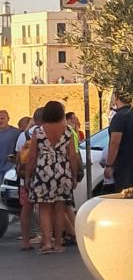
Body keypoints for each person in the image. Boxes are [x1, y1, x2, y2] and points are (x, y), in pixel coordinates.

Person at [25, 100, 80, 254]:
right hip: (63, 171)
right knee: (60, 208)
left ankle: (47, 242)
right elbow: (72, 155)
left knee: (44, 209)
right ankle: (58, 244)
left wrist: (28, 175)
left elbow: (32, 156)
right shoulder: (68, 131)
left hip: (44, 172)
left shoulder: (39, 132)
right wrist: (74, 176)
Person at [15, 107, 44, 251]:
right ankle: (47, 239)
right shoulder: (45, 133)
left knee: (26, 209)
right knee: (45, 208)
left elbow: (17, 156)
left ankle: (26, 241)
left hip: (25, 178)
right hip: (42, 176)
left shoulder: (23, 135)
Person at [104, 93, 133, 193]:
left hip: (123, 166)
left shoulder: (119, 117)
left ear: (117, 97)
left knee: (124, 196)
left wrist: (109, 165)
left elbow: (114, 142)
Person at [0, 110, 20, 184]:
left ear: (8, 119)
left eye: (2, 118)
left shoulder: (16, 133)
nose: (0, 121)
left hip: (10, 169)